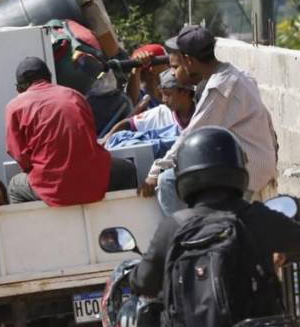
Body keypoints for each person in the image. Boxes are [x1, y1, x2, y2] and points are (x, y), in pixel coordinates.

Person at [128, 126, 300, 327]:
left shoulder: (176, 225)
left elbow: (143, 281)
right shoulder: (255, 216)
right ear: (237, 168)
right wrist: (281, 255)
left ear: (184, 175)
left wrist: (138, 279)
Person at [139, 25, 278, 215]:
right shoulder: (235, 74)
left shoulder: (220, 87)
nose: (172, 74)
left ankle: (187, 237)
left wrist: (155, 171)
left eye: (175, 66)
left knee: (168, 180)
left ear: (188, 61)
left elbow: (191, 136)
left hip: (247, 169)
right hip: (258, 163)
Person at [5, 57, 136, 206]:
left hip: (52, 188)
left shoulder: (15, 106)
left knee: (14, 187)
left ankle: (32, 228)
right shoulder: (74, 95)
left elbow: (19, 154)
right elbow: (89, 136)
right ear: (49, 78)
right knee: (128, 170)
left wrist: (36, 169)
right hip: (93, 180)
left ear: (20, 88)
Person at [104, 68, 195, 141]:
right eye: (162, 94)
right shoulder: (160, 113)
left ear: (185, 92)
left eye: (167, 94)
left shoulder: (204, 109)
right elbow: (127, 124)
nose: (164, 100)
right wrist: (106, 140)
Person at [125, 43, 169, 114]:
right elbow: (131, 100)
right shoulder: (141, 100)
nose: (170, 68)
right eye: (166, 63)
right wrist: (137, 68)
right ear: (153, 70)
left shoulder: (169, 92)